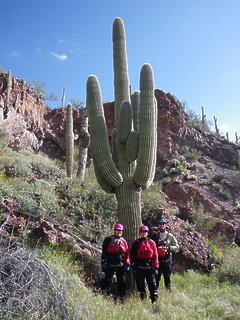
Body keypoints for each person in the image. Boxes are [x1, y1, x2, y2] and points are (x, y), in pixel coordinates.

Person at [101, 223, 130, 299]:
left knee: (121, 280)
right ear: (114, 230)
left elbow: (126, 253)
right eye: (117, 230)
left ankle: (122, 296)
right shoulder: (108, 240)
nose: (119, 232)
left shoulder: (123, 241)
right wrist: (103, 263)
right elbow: (104, 251)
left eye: (120, 231)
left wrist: (127, 264)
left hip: (120, 263)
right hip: (110, 263)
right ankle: (104, 294)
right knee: (108, 279)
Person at [131, 225, 159, 304]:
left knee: (152, 284)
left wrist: (156, 267)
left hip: (149, 267)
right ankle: (142, 300)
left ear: (147, 233)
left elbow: (155, 255)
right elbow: (132, 255)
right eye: (142, 232)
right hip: (139, 267)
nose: (144, 233)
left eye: (145, 232)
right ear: (140, 233)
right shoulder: (136, 243)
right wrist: (134, 267)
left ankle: (154, 300)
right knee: (140, 285)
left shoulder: (151, 242)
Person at [151, 218, 179, 291]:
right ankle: (155, 292)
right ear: (158, 225)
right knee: (157, 277)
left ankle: (168, 291)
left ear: (166, 225)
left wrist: (168, 248)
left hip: (167, 260)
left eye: (163, 224)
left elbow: (177, 247)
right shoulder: (155, 236)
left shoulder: (170, 236)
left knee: (167, 277)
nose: (161, 225)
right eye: (160, 224)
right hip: (158, 260)